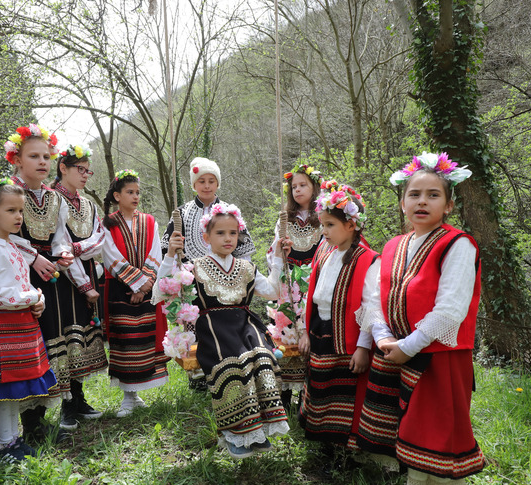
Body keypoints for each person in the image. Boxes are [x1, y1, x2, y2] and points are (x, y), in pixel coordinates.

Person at [358, 152, 483, 485]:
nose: (422, 202)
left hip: (439, 354)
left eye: (433, 195)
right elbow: (375, 296)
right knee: (408, 424)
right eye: (414, 194)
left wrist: (410, 345)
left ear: (448, 204)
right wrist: (382, 337)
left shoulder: (457, 245)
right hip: (399, 349)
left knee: (439, 429)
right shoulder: (394, 245)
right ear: (402, 202)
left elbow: (451, 308)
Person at [156, 203, 289, 459]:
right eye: (220, 233)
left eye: (233, 233)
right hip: (213, 329)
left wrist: (280, 258)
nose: (228, 238)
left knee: (261, 357)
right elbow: (161, 291)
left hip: (246, 326)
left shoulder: (246, 267)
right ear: (206, 237)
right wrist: (170, 256)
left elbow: (273, 291)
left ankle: (257, 429)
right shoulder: (193, 267)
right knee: (233, 363)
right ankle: (235, 433)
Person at [0, 179, 58, 463]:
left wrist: (38, 299)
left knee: (15, 390)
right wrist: (28, 298)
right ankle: (5, 447)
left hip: (21, 325)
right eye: (11, 210)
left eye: (20, 210)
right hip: (2, 327)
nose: (18, 216)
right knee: (5, 391)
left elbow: (26, 285)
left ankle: (14, 441)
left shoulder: (12, 246)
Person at [3, 123, 76, 442]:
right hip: (20, 276)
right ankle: (29, 422)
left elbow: (60, 235)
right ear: (17, 158)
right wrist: (34, 257)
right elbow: (1, 235)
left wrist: (63, 252)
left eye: (47, 156)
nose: (43, 162)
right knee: (29, 346)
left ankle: (43, 418)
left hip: (51, 278)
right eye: (34, 156)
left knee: (51, 343)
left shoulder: (54, 198)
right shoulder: (6, 191)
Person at [296, 182, 378, 461]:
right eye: (323, 225)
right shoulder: (324, 251)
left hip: (345, 337)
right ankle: (323, 443)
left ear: (352, 224)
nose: (324, 231)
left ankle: (344, 449)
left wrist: (364, 347)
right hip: (320, 329)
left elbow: (370, 307)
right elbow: (312, 294)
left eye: (330, 225)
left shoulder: (366, 259)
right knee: (319, 384)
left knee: (340, 392)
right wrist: (306, 332)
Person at [159, 157, 255, 391]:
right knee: (193, 324)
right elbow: (166, 247)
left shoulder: (229, 212)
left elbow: (243, 247)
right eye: (201, 181)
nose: (207, 185)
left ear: (218, 184)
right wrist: (174, 251)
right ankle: (198, 374)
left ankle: (229, 366)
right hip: (194, 280)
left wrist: (242, 276)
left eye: (212, 181)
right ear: (193, 184)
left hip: (227, 277)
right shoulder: (180, 213)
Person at [99, 170, 169, 416]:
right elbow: (111, 257)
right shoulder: (107, 224)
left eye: (138, 192)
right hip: (120, 289)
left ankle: (139, 394)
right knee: (126, 341)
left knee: (146, 336)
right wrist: (135, 284)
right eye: (130, 192)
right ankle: (129, 397)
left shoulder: (150, 221)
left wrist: (145, 285)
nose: (135, 196)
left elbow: (155, 252)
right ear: (117, 196)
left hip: (146, 288)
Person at [50, 143, 109, 426]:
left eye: (88, 171)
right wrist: (84, 283)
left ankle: (79, 398)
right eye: (80, 169)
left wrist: (77, 248)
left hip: (86, 269)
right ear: (63, 168)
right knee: (67, 334)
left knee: (83, 333)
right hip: (63, 277)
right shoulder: (53, 199)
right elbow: (58, 243)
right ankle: (67, 406)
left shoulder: (87, 204)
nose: (86, 175)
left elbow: (100, 238)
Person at [267, 165, 326, 407]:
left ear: (314, 188)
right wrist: (282, 251)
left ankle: (307, 395)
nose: (298, 190)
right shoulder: (285, 220)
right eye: (294, 187)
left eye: (303, 185)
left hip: (314, 282)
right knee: (286, 331)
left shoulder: (323, 217)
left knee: (309, 332)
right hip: (289, 283)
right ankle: (283, 395)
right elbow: (272, 254)